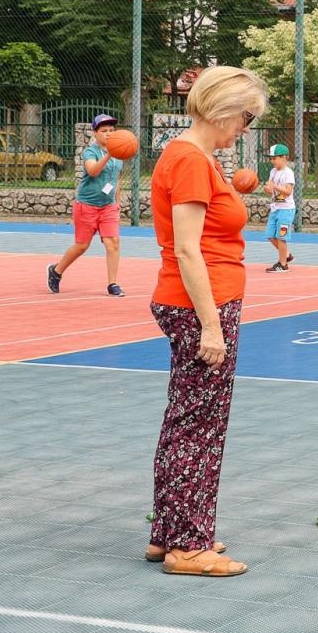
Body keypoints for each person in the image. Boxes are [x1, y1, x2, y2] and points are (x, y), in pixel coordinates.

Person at [145, 66, 265, 578]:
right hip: (202, 304)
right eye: (246, 116)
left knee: (184, 419)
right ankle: (187, 547)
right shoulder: (192, 160)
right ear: (223, 109)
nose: (246, 126)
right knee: (201, 426)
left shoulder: (190, 155)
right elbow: (189, 250)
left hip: (195, 301)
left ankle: (171, 532)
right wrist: (212, 327)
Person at [48, 113, 126, 297]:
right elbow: (92, 171)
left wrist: (117, 202)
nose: (108, 134)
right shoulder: (91, 152)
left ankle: (113, 283)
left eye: (111, 130)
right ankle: (56, 271)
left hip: (107, 206)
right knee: (82, 246)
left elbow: (116, 180)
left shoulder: (119, 155)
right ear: (95, 133)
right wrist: (109, 154)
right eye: (104, 131)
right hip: (87, 205)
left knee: (112, 242)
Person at [263, 143, 296, 272]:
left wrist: (275, 186)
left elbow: (288, 191)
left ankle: (283, 265)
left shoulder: (288, 173)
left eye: (274, 158)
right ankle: (286, 255)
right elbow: (271, 191)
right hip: (275, 208)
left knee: (281, 237)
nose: (272, 161)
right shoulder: (273, 172)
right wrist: (267, 189)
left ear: (284, 158)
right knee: (270, 235)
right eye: (271, 158)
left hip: (286, 210)